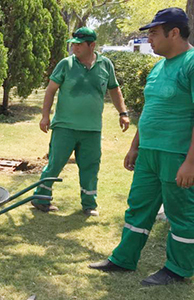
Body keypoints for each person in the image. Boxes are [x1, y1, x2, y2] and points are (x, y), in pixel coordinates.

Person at [89, 8, 194, 286]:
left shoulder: (192, 63)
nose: (149, 38)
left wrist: (191, 162)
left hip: (178, 154)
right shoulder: (158, 66)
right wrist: (135, 146)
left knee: (181, 213)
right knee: (138, 206)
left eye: (154, 32)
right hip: (148, 153)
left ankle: (178, 269)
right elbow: (150, 109)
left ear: (174, 32)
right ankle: (123, 259)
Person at [31, 27, 130, 216]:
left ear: (91, 45)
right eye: (73, 44)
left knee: (91, 166)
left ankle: (89, 204)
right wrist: (45, 116)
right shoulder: (65, 65)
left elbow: (114, 90)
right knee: (55, 164)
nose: (74, 48)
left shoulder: (105, 65)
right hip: (64, 127)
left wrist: (122, 112)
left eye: (78, 45)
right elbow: (50, 90)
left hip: (92, 129)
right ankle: (41, 199)